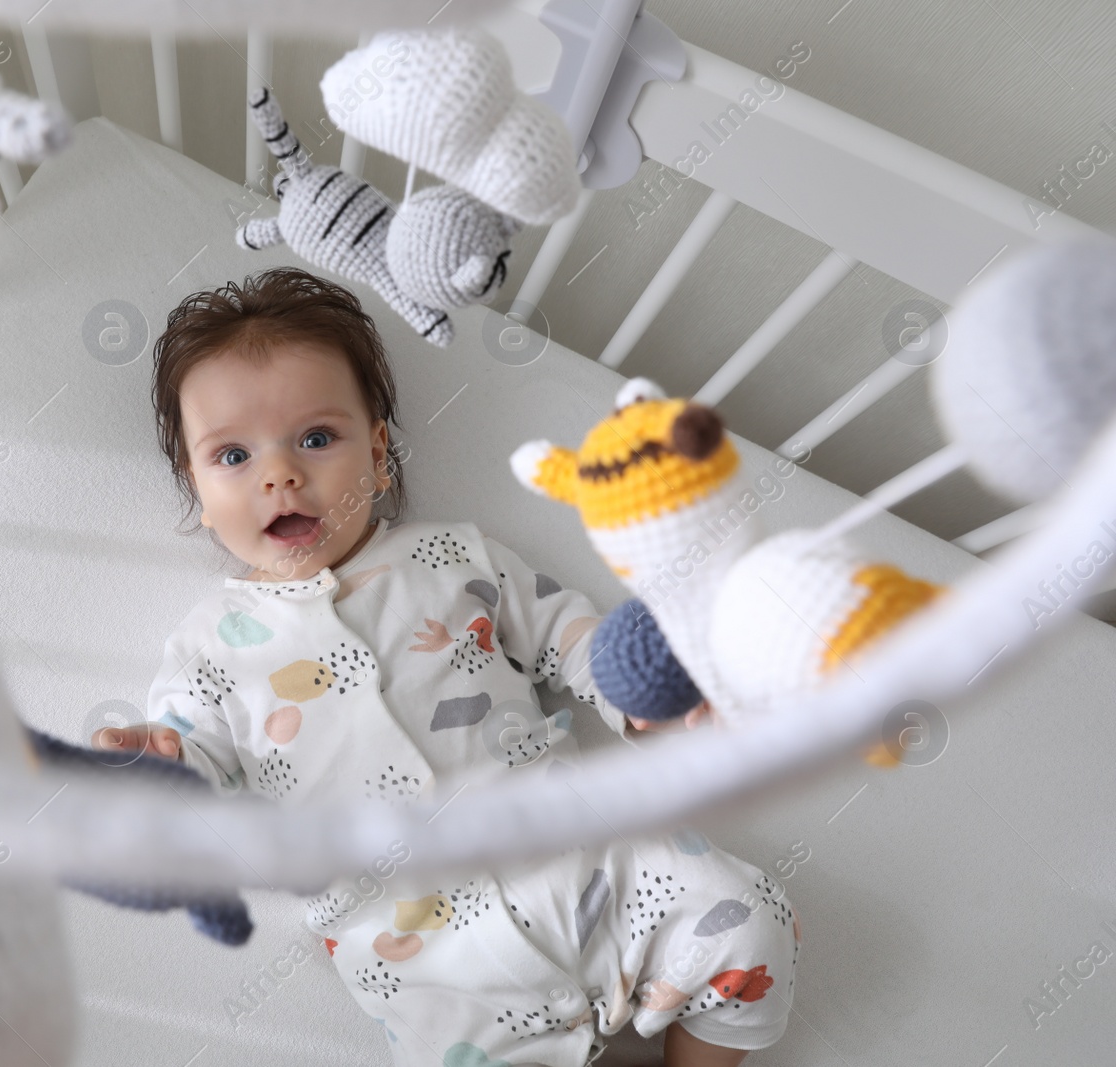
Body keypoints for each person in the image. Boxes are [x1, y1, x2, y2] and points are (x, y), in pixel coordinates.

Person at [93, 267, 797, 1066]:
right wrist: (164, 765)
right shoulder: (208, 648)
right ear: (194, 483)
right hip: (416, 953)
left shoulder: (453, 555)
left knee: (747, 916)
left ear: (380, 451)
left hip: (570, 851)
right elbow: (206, 779)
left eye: (317, 438)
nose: (279, 474)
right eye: (232, 455)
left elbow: (567, 632)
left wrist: (646, 693)